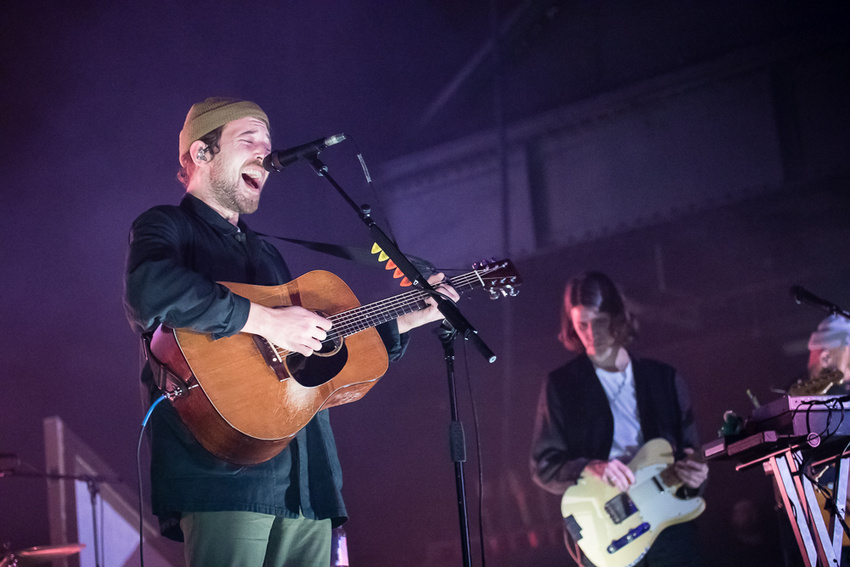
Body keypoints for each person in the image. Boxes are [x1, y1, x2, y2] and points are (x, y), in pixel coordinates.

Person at [123, 97, 458, 566]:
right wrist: (266, 319)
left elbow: (316, 359)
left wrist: (410, 318)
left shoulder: (267, 254)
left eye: (268, 142)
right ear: (202, 153)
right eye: (249, 139)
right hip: (224, 474)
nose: (266, 153)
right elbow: (150, 290)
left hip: (308, 478)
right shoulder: (166, 226)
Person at [529, 271, 709, 567]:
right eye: (581, 324)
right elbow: (543, 466)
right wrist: (592, 467)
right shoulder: (561, 385)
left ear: (617, 318)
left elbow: (691, 451)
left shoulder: (663, 379)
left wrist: (696, 477)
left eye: (598, 322)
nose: (590, 333)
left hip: (670, 527)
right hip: (608, 527)